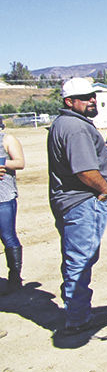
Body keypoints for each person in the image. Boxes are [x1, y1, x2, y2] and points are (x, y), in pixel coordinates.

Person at [47, 77, 107, 336]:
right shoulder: (75, 128)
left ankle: (76, 311)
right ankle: (77, 318)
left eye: (93, 96)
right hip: (81, 203)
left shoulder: (65, 124)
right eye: (86, 98)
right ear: (69, 102)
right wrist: (105, 189)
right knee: (80, 259)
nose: (92, 101)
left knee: (77, 259)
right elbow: (85, 171)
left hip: (71, 203)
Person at [0, 118, 26, 295]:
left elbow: (20, 163)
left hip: (4, 196)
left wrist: (2, 163)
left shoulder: (7, 139)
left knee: (7, 235)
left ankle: (15, 278)